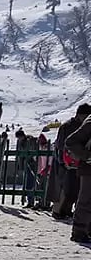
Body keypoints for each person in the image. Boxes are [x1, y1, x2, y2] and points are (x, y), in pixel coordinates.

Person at [53, 104, 90, 220]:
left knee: (76, 190)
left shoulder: (80, 125)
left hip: (77, 162)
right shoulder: (68, 126)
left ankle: (67, 211)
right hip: (68, 162)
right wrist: (64, 161)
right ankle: (60, 211)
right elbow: (62, 144)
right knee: (67, 189)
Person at [64, 113, 91, 243]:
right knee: (86, 200)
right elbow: (71, 141)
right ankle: (79, 232)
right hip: (89, 169)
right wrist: (87, 156)